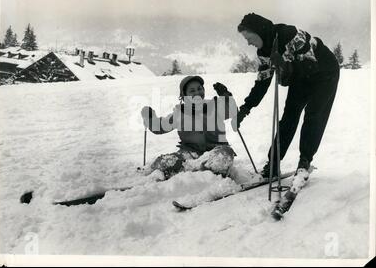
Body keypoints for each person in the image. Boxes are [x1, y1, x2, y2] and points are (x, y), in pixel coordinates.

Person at [236, 13, 340, 183]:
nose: (248, 42)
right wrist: (246, 108)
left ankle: (304, 161)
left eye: (249, 37)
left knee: (314, 114)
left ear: (259, 31)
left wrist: (286, 63)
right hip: (302, 77)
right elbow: (262, 83)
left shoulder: (289, 34)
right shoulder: (263, 52)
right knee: (289, 116)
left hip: (324, 72)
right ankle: (273, 162)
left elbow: (310, 64)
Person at [140, 75, 238, 181]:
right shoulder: (179, 113)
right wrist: (149, 118)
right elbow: (160, 126)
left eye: (199, 89)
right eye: (192, 90)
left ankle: (204, 173)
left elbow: (232, 111)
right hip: (189, 154)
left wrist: (226, 96)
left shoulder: (214, 106)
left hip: (215, 151)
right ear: (184, 95)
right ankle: (195, 169)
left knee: (224, 154)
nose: (197, 93)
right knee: (164, 162)